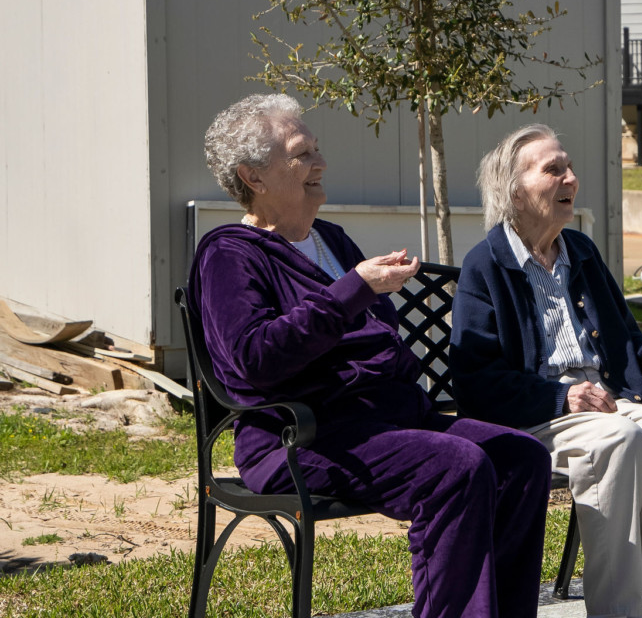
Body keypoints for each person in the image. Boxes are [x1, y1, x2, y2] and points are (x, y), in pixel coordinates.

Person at [189, 93, 551, 618]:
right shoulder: (228, 254)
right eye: (301, 153)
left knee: (520, 457)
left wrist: (366, 307)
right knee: (456, 466)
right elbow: (254, 358)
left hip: (390, 423)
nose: (320, 163)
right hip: (301, 438)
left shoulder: (331, 239)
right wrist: (353, 289)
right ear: (253, 176)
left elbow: (374, 332)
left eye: (316, 149)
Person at [449, 123, 642, 618]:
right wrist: (560, 397)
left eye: (569, 167)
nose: (571, 179)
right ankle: (621, 607)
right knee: (618, 440)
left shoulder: (581, 253)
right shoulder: (485, 266)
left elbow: (628, 341)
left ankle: (625, 582)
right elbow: (475, 378)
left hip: (611, 401)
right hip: (538, 416)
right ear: (514, 191)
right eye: (554, 170)